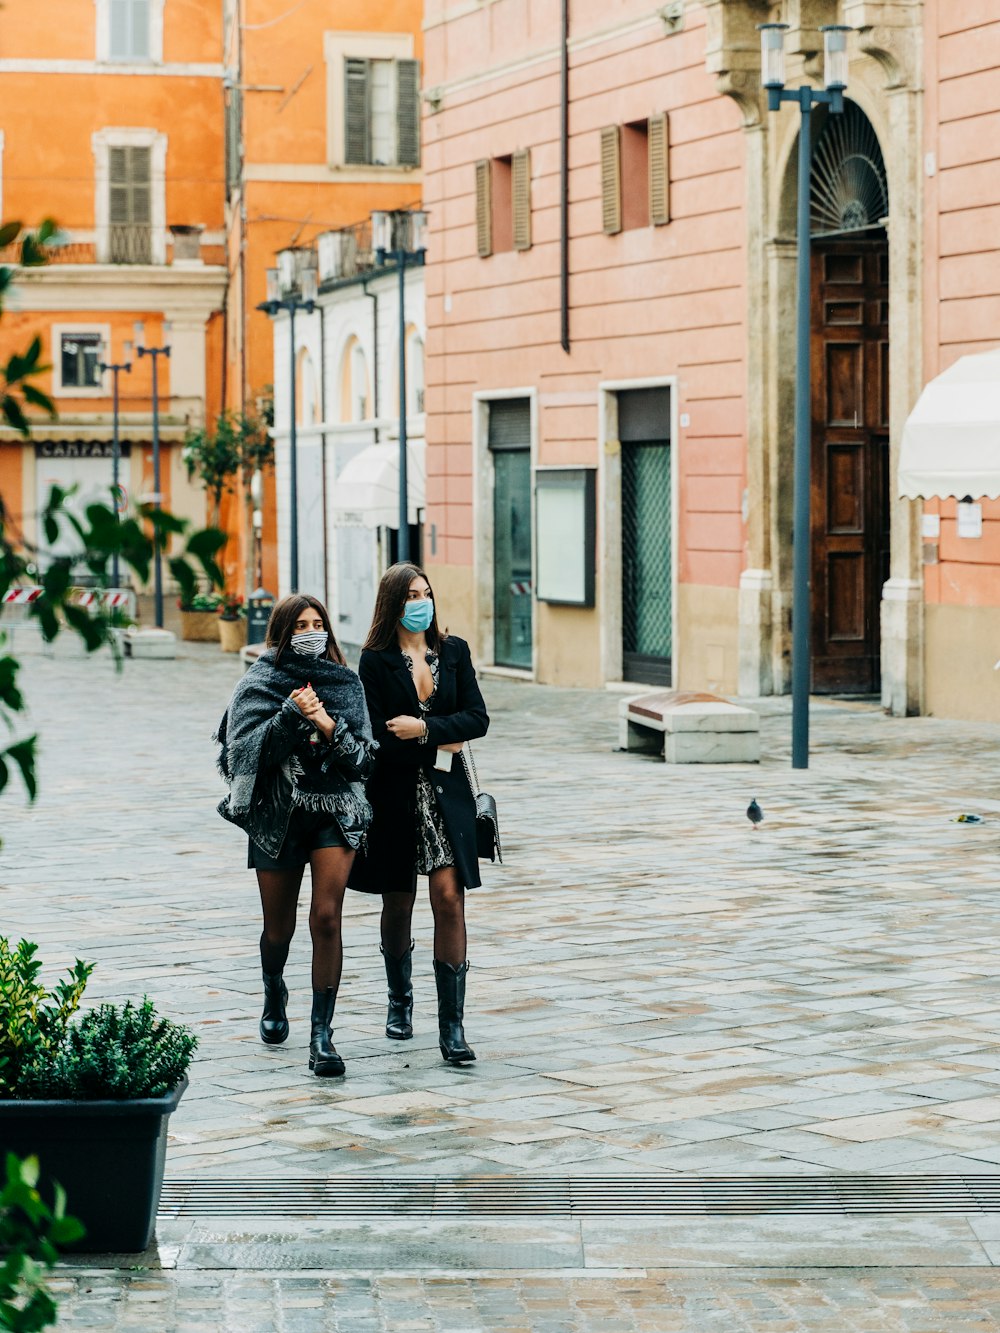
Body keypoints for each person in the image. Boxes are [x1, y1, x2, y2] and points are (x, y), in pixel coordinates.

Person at [215, 594, 376, 1077]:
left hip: (335, 811)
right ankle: (273, 988)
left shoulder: (347, 683)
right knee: (278, 929)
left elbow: (365, 760)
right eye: (301, 625)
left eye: (318, 623)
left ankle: (321, 1036)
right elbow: (242, 756)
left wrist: (327, 723)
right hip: (275, 816)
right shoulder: (258, 683)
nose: (312, 631)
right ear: (282, 634)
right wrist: (289, 715)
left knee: (326, 918)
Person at [349, 563, 489, 1064]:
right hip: (393, 796)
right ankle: (400, 1000)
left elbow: (478, 718)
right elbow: (382, 738)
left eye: (426, 592)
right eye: (410, 594)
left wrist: (425, 731)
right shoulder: (374, 661)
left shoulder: (454, 652)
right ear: (392, 602)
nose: (420, 601)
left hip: (448, 797)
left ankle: (452, 1027)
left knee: (449, 898)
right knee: (398, 901)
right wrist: (439, 737)